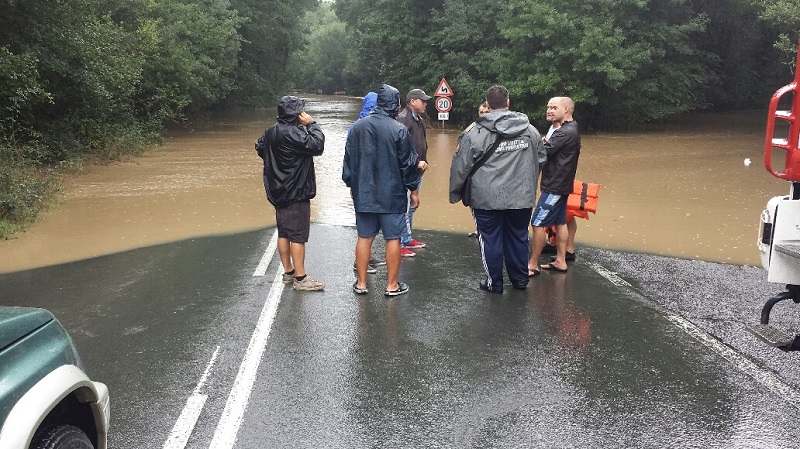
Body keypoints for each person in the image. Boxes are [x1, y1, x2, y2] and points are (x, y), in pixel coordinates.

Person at [449, 85, 546, 293]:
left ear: (488, 105)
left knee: (489, 238)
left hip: (486, 198)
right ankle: (520, 281)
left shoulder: (474, 132)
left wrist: (455, 193)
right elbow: (541, 159)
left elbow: (460, 166)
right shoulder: (530, 130)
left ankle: (494, 284)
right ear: (508, 103)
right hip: (522, 197)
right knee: (518, 236)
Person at [343, 84, 421, 297]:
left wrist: (352, 186)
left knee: (364, 237)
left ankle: (360, 284)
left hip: (364, 194)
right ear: (395, 105)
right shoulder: (399, 130)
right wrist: (413, 191)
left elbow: (348, 163)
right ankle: (392, 286)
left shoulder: (357, 128)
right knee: (393, 238)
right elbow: (408, 164)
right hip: (392, 195)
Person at [255, 95, 326, 291]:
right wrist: (312, 124)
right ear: (296, 114)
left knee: (284, 232)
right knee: (298, 236)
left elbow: (259, 146)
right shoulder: (294, 134)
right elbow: (317, 145)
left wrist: (275, 157)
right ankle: (301, 278)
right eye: (301, 111)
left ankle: (288, 272)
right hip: (296, 192)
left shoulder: (271, 132)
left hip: (278, 190)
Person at [528, 96, 581, 276]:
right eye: (548, 107)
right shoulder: (569, 129)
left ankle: (532, 265)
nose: (549, 110)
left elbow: (543, 153)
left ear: (566, 109)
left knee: (537, 223)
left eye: (554, 107)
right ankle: (560, 260)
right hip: (562, 185)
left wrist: (540, 144)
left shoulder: (564, 132)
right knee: (559, 222)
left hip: (554, 186)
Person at [349, 92, 387, 275]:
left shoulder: (356, 126)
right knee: (368, 228)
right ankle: (360, 263)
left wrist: (350, 182)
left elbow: (348, 159)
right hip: (372, 183)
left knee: (367, 226)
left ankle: (367, 258)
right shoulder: (376, 125)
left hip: (360, 184)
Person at [396, 88, 432, 257]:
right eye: (422, 100)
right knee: (404, 207)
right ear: (412, 101)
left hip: (417, 170)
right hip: (408, 170)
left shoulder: (418, 119)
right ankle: (401, 242)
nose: (425, 103)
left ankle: (407, 238)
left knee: (412, 206)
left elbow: (421, 143)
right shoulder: (404, 119)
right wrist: (416, 162)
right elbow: (401, 149)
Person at [468, 101, 490, 239]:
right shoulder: (472, 130)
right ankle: (478, 229)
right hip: (476, 174)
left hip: (490, 174)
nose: (484, 115)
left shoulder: (498, 130)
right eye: (482, 112)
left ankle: (485, 231)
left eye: (487, 112)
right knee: (475, 204)